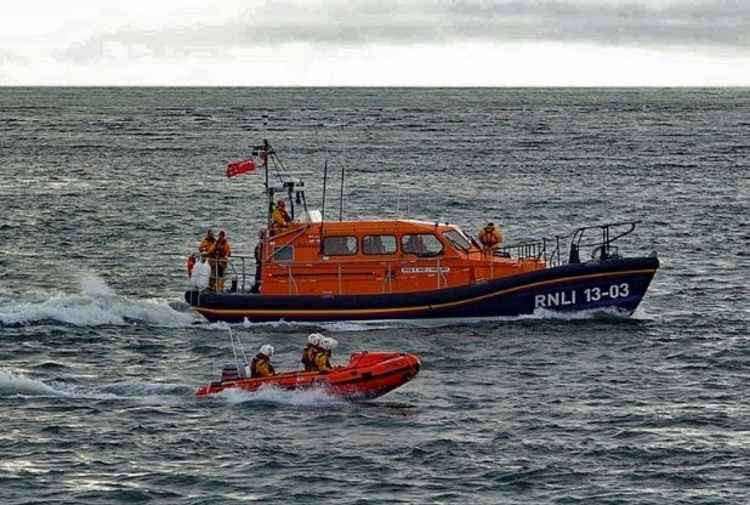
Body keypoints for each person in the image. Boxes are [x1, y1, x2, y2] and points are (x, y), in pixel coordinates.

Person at [252, 229, 266, 293]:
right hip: (259, 262)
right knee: (258, 276)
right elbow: (257, 252)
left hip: (261, 263)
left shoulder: (263, 243)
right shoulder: (261, 243)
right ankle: (257, 288)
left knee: (259, 276)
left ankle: (257, 288)